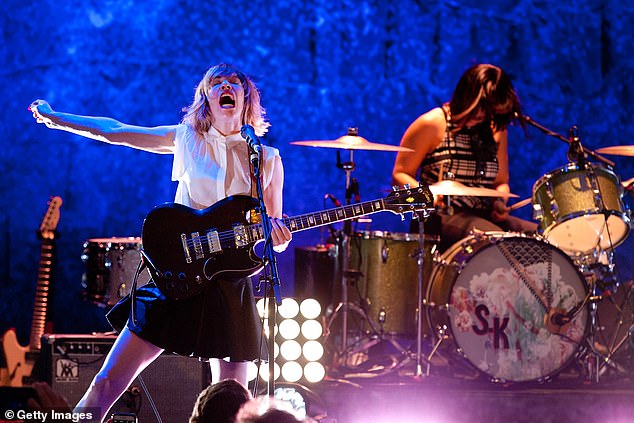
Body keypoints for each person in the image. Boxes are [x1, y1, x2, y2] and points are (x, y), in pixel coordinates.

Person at [29, 63, 292, 422]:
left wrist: (279, 240)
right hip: (178, 277)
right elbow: (118, 131)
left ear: (246, 97)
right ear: (206, 97)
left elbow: (271, 237)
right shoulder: (186, 138)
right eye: (217, 83)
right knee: (107, 382)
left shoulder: (268, 158)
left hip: (230, 285)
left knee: (235, 403)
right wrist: (59, 119)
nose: (226, 86)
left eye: (234, 82)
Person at [392, 63, 537, 252]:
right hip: (439, 217)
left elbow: (501, 183)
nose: (483, 115)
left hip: (481, 215)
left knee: (540, 241)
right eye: (481, 109)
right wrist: (427, 193)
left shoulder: (495, 128)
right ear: (467, 97)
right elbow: (400, 173)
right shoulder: (433, 123)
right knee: (498, 243)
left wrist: (499, 203)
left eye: (489, 111)